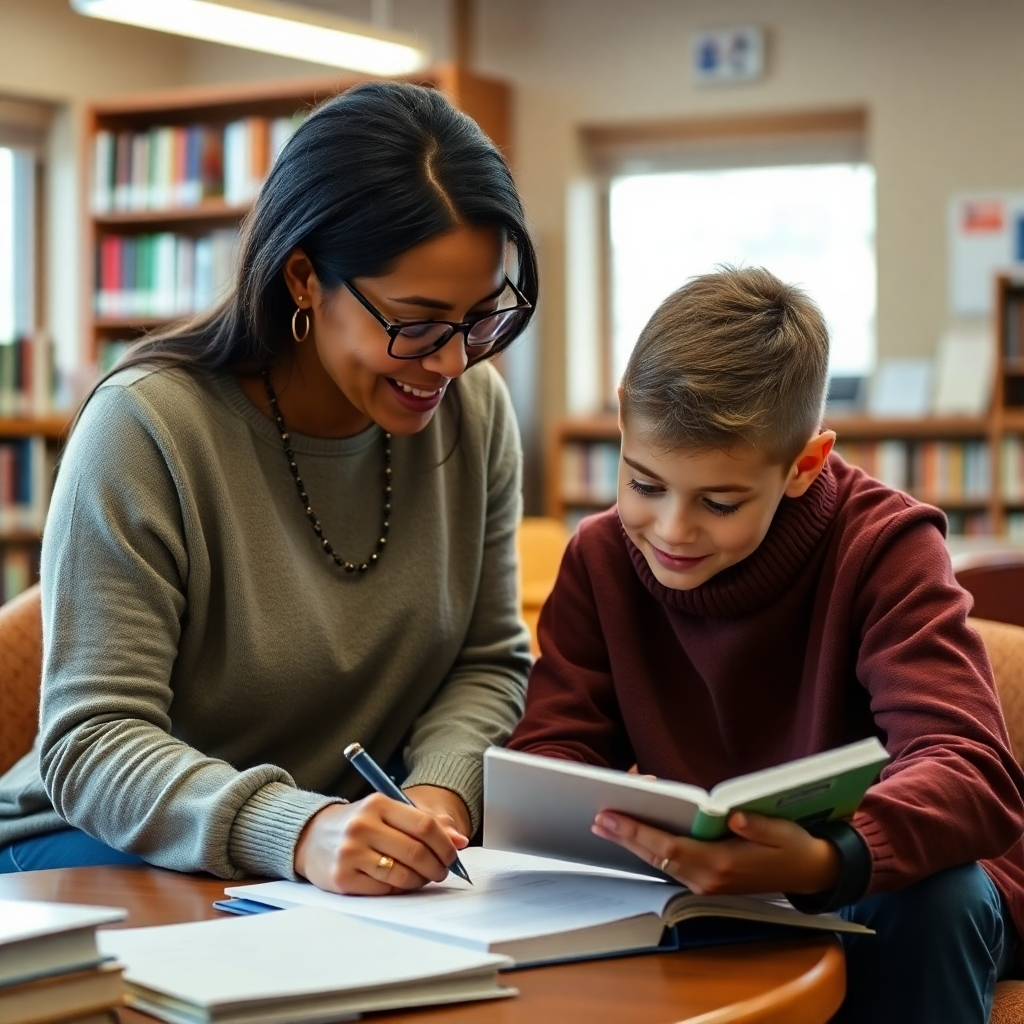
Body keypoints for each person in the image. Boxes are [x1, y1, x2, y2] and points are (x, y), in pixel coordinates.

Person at [0, 81, 537, 897]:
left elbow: (487, 660)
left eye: (481, 317)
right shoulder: (146, 428)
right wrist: (299, 829)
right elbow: (94, 742)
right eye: (417, 322)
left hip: (333, 857)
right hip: (92, 845)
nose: (453, 361)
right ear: (303, 278)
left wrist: (436, 801)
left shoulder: (475, 411)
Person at [507, 267, 1024, 1023]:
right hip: (704, 891)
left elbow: (971, 769)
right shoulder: (601, 557)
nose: (672, 530)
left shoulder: (886, 547)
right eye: (644, 484)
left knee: (935, 898)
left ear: (805, 465)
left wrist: (827, 858)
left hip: (887, 887)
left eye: (720, 502)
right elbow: (551, 755)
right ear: (622, 416)